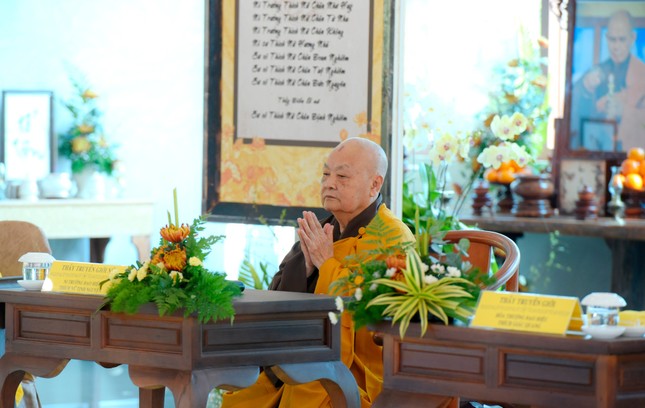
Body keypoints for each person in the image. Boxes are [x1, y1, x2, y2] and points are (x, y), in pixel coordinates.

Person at [222, 137, 415, 408]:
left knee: (305, 391)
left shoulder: (393, 236)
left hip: (357, 372)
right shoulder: (323, 230)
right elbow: (277, 293)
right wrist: (307, 268)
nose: (329, 183)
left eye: (342, 176)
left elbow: (378, 311)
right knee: (241, 398)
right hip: (302, 358)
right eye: (326, 174)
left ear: (375, 184)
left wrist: (327, 264)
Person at [570, 10, 645, 151]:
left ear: (632, 38)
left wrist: (624, 111)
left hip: (633, 154)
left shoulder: (642, 73)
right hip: (598, 147)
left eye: (621, 40)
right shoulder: (598, 71)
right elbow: (575, 107)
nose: (616, 47)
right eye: (612, 39)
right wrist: (586, 88)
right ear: (606, 37)